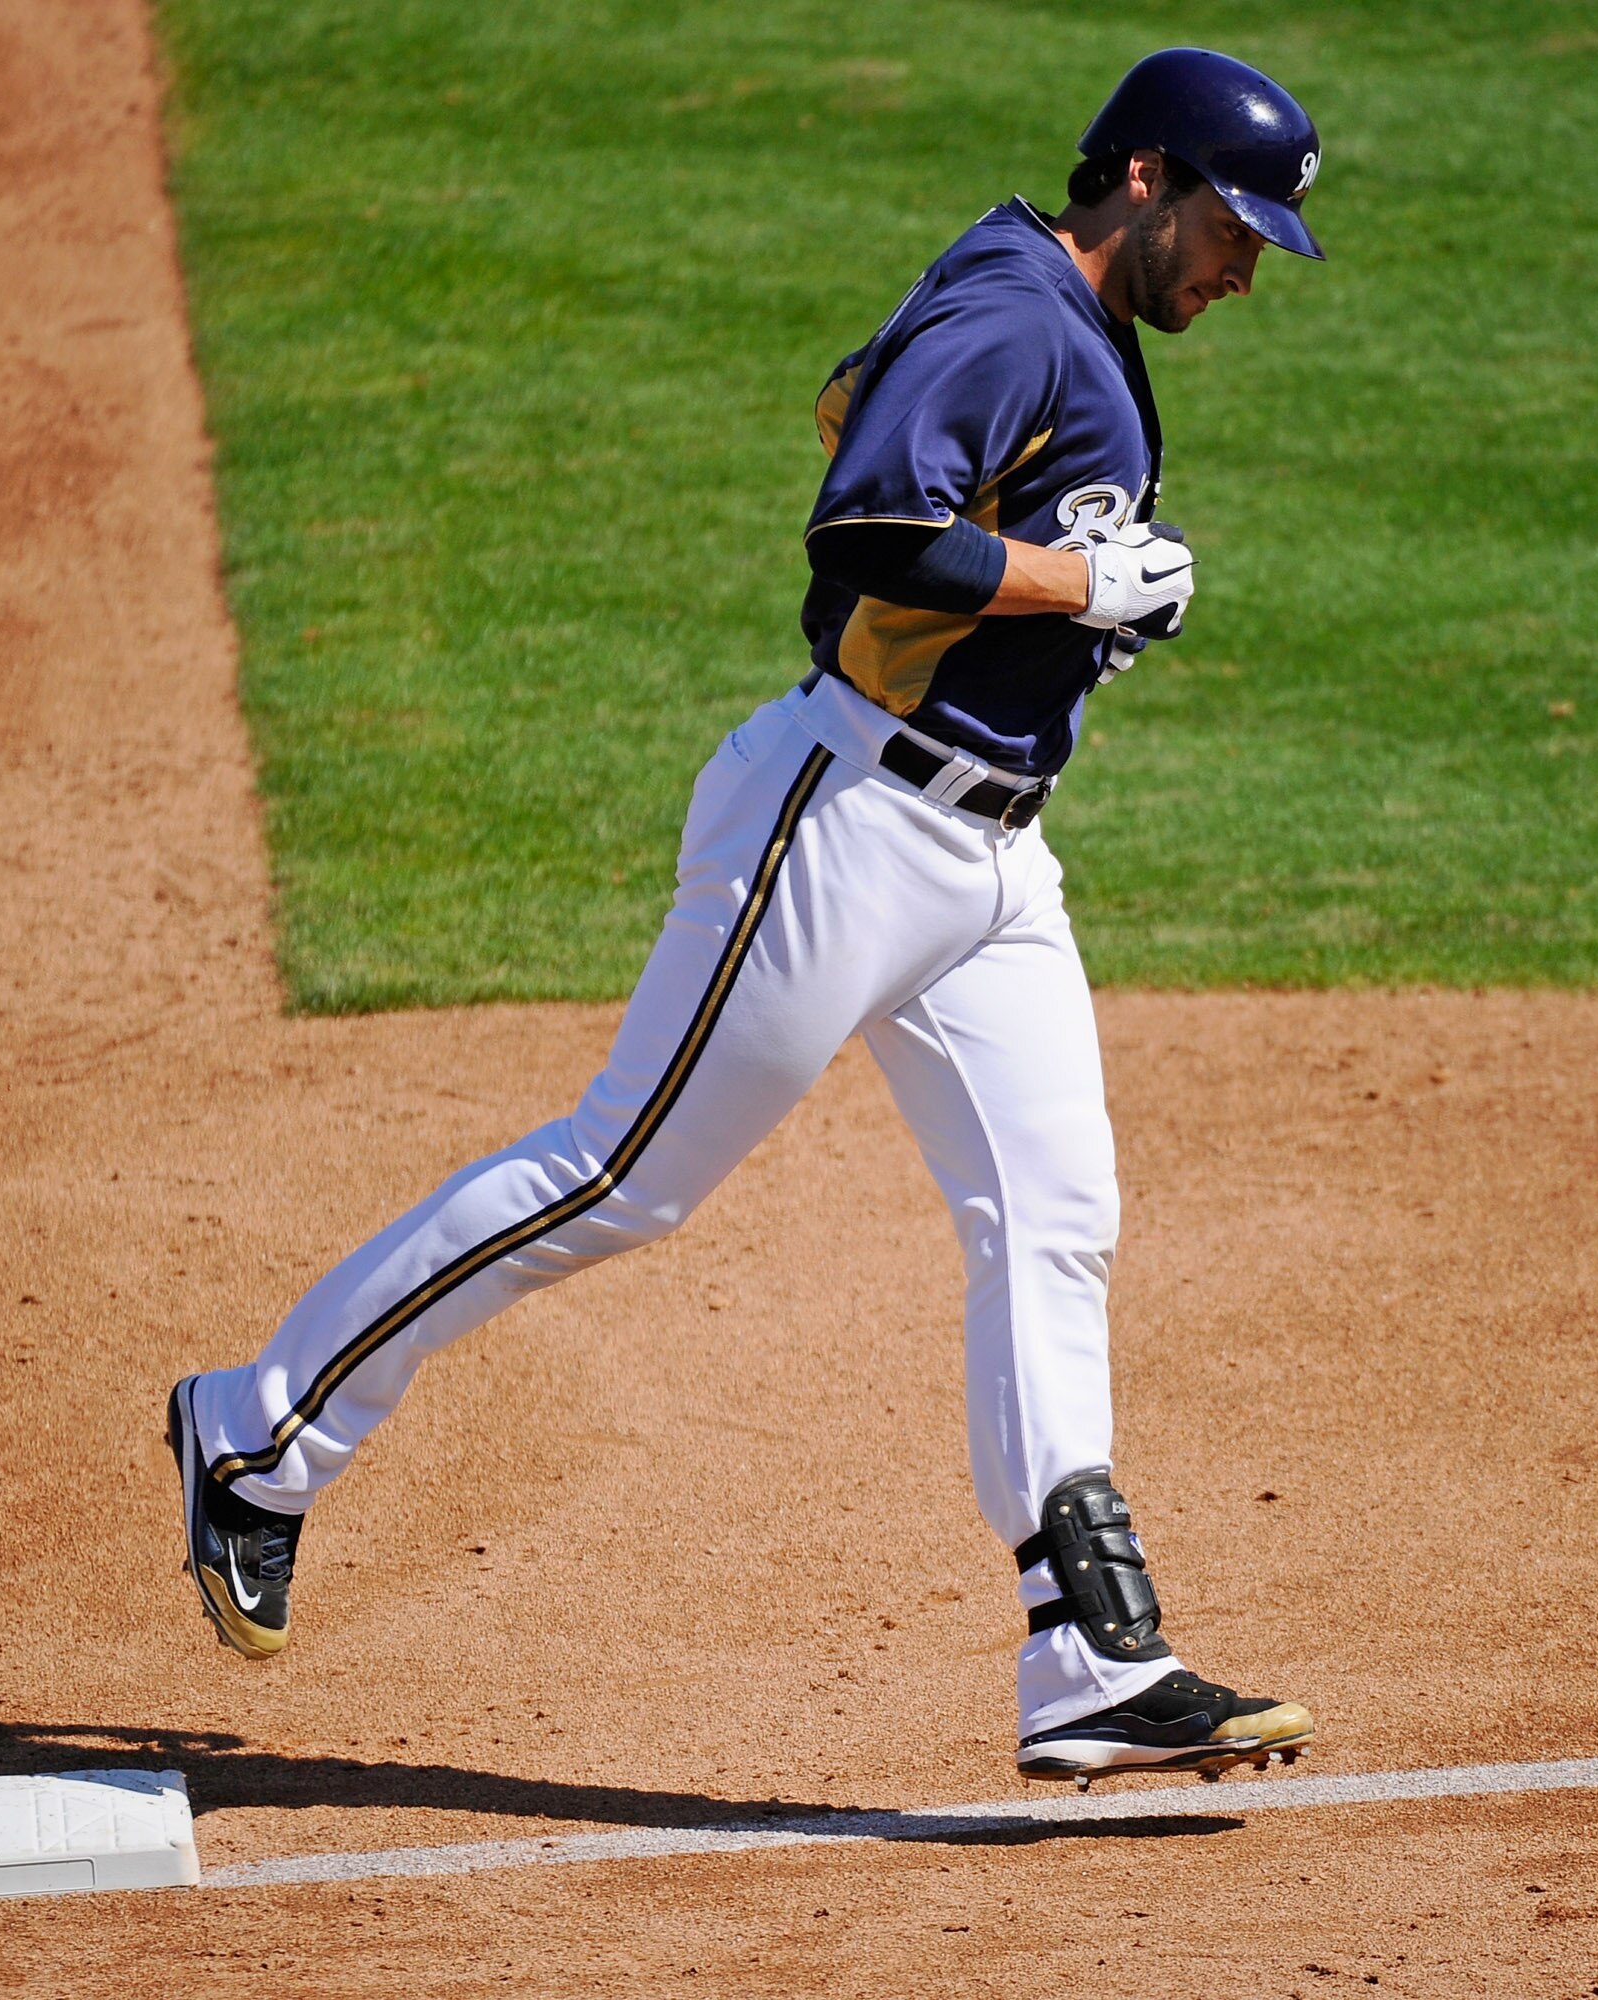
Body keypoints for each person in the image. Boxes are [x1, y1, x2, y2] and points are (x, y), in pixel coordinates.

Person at [168, 47, 1330, 1788]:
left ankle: (1088, 1653)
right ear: (1149, 180)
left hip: (996, 865)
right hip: (850, 820)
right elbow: (861, 519)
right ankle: (259, 1436)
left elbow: (850, 393)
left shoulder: (1031, 302)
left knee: (1055, 1213)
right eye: (1234, 230)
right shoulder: (1026, 311)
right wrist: (1071, 581)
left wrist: (1043, 581)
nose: (1244, 272)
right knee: (622, 1175)